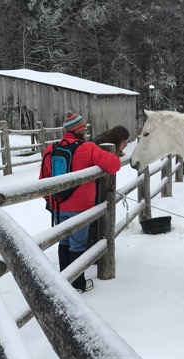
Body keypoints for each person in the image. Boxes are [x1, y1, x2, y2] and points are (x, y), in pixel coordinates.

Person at [39, 111, 122, 293]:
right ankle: (77, 284)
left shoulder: (50, 149)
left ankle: (64, 279)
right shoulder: (88, 148)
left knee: (64, 242)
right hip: (80, 207)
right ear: (81, 130)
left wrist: (50, 201)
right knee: (77, 244)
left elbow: (43, 178)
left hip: (58, 206)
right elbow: (114, 165)